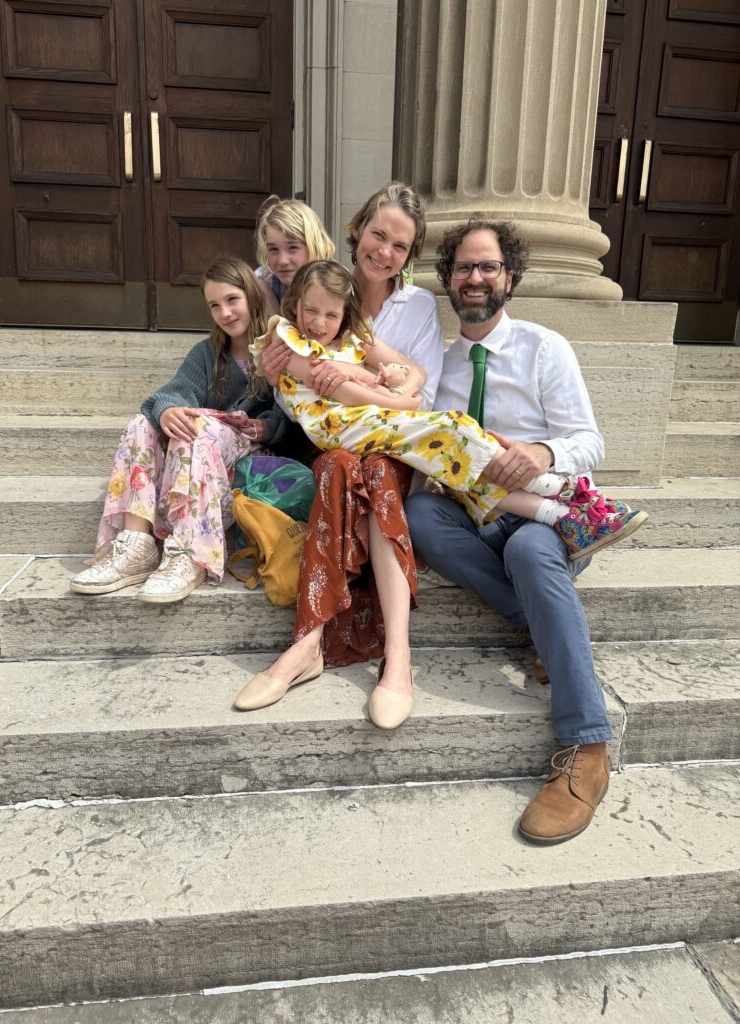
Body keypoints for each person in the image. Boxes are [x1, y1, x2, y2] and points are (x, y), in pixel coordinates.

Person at [405, 217, 630, 846]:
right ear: (449, 278)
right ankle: (543, 625)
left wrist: (542, 452)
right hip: (477, 515)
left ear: (510, 276)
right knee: (419, 516)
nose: (475, 278)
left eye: (488, 266)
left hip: (548, 517)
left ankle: (588, 746)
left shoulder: (544, 348)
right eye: (464, 267)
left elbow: (589, 441)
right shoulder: (439, 366)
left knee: (532, 552)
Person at [252, 259, 645, 555]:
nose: (319, 323)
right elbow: (342, 392)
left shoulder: (353, 337)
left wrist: (396, 386)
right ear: (295, 305)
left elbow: (416, 370)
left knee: (457, 469)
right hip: (339, 427)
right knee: (452, 425)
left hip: (369, 418)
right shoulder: (285, 338)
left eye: (331, 314)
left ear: (344, 313)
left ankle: (562, 517)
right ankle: (564, 489)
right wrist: (394, 396)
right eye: (311, 311)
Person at [234, 182, 444, 727]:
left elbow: (421, 390)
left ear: (409, 255)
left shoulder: (418, 306)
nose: (385, 252)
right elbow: (293, 392)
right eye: (378, 235)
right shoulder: (321, 290)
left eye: (400, 246)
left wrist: (358, 377)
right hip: (330, 441)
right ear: (356, 231)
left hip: (394, 445)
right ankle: (307, 644)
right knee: (338, 464)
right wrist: (279, 375)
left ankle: (397, 657)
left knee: (371, 469)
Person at [70, 257, 292, 604]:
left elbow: (295, 413)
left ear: (251, 295)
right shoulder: (207, 354)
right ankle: (137, 544)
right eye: (214, 305)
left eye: (232, 300)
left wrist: (270, 426)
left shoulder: (278, 349)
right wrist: (168, 410)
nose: (225, 313)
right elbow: (172, 393)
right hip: (202, 451)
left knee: (197, 426)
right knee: (144, 422)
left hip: (252, 460)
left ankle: (191, 553)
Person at [254, 195, 336, 308]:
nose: (282, 261)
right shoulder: (260, 283)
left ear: (314, 245)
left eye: (292, 248)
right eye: (273, 249)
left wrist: (273, 309)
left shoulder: (338, 284)